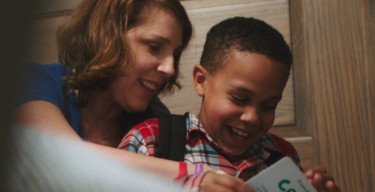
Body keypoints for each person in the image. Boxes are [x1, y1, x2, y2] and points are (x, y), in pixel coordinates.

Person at [14, 1, 250, 192]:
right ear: (108, 37)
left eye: (174, 55)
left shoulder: (157, 122)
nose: (170, 68)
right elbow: (66, 158)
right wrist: (195, 174)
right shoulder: (37, 82)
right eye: (154, 46)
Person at [119, 17, 340, 192]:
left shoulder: (280, 155)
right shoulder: (150, 140)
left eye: (268, 105)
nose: (252, 117)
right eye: (239, 98)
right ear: (201, 81)